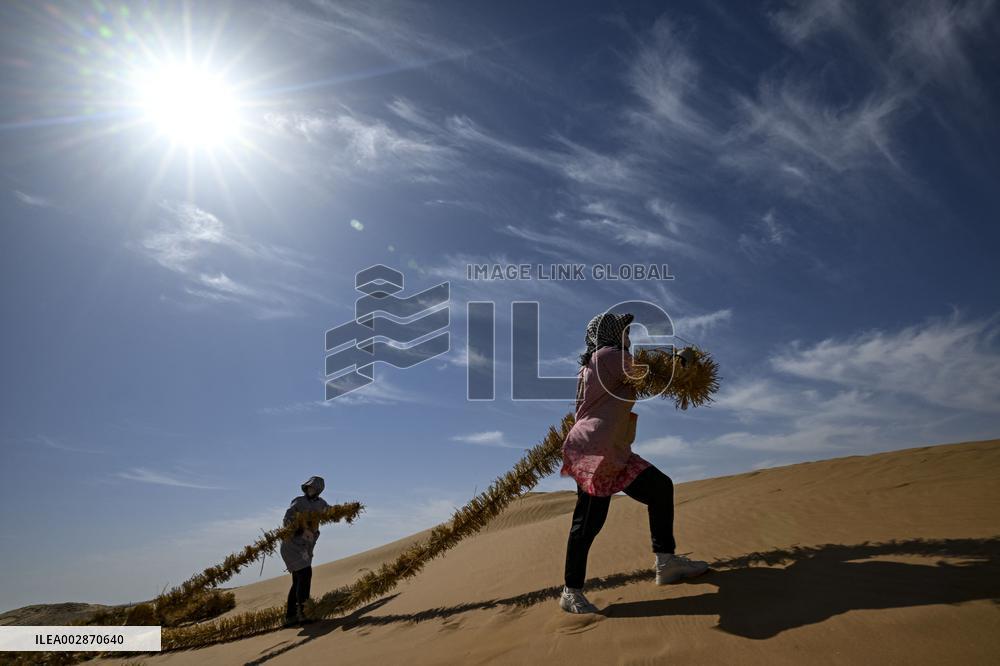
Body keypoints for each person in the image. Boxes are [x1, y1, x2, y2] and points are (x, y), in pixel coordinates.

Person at [558, 312, 709, 614]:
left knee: (660, 488)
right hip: (596, 451)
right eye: (626, 330)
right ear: (613, 333)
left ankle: (666, 562)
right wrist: (682, 361)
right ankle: (570, 592)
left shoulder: (594, 362)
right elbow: (652, 376)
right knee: (588, 523)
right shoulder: (610, 355)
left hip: (613, 449)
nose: (630, 336)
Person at [280, 476, 330, 626]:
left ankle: (291, 616)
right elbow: (287, 519)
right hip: (292, 545)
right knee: (305, 575)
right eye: (309, 487)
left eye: (314, 488)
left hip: (305, 547)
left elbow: (330, 512)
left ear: (319, 490)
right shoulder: (298, 501)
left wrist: (346, 510)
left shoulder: (321, 504)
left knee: (298, 581)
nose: (310, 490)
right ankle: (304, 613)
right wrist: (299, 529)